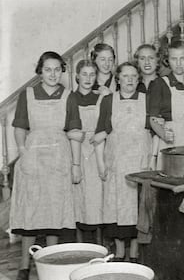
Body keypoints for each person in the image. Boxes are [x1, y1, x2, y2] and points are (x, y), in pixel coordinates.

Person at [10, 51, 79, 280]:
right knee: (31, 212)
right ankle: (23, 264)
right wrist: (23, 153)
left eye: (57, 69)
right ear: (40, 71)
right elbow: (20, 127)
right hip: (33, 157)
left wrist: (75, 163)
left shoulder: (69, 96)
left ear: (62, 71)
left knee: (55, 213)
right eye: (48, 69)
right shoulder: (27, 94)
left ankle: (50, 262)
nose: (52, 74)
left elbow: (74, 130)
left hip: (59, 157)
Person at [94, 62, 151, 262]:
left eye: (134, 76)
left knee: (137, 210)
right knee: (117, 210)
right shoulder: (108, 101)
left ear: (138, 79)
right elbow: (99, 133)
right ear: (118, 79)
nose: (129, 80)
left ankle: (134, 253)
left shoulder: (147, 100)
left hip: (139, 163)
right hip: (116, 164)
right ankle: (119, 252)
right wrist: (101, 165)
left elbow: (155, 130)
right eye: (125, 76)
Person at [67, 60, 104, 244]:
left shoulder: (100, 97)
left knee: (96, 200)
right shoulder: (70, 98)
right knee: (78, 200)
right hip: (77, 151)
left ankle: (99, 246)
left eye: (92, 75)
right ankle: (81, 246)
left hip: (97, 150)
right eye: (84, 74)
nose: (88, 78)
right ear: (77, 76)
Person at [148, 41, 184, 168]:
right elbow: (153, 119)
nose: (178, 63)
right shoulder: (159, 84)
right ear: (167, 60)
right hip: (170, 145)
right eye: (174, 59)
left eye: (182, 58)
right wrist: (163, 133)